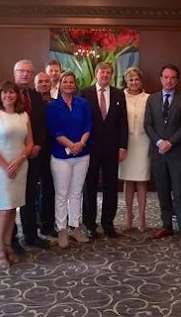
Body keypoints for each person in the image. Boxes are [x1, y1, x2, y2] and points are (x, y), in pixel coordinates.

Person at [0, 81, 34, 268]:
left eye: (12, 93)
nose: (8, 96)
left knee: (14, 207)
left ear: (17, 95)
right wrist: (6, 166)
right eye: (5, 93)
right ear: (0, 95)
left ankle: (8, 246)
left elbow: (30, 143)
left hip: (20, 165)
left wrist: (20, 160)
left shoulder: (23, 116)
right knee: (4, 207)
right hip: (0, 166)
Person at [144, 64, 181, 248]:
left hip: (177, 153)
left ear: (177, 80)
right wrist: (159, 142)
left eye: (173, 77)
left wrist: (169, 143)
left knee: (179, 191)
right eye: (166, 77)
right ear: (161, 79)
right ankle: (166, 225)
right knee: (162, 190)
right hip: (158, 153)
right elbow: (148, 124)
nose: (169, 80)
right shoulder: (152, 99)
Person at [80, 62, 128, 239]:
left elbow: (123, 122)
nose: (105, 75)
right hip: (90, 148)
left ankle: (108, 223)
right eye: (102, 72)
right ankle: (90, 224)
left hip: (111, 149)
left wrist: (123, 146)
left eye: (108, 73)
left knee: (110, 187)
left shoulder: (118, 94)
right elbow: (81, 120)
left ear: (112, 75)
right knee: (89, 186)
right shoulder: (85, 93)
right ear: (96, 73)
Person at [46, 71, 92, 248]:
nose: (69, 84)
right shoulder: (53, 106)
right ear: (60, 84)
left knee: (76, 193)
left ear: (75, 85)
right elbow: (54, 130)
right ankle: (62, 229)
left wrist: (81, 143)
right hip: (61, 156)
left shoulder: (83, 104)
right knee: (62, 194)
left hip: (82, 155)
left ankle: (75, 226)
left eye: (72, 82)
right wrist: (71, 145)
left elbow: (89, 125)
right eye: (65, 82)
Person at [10, 60, 48, 253]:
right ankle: (11, 238)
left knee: (30, 195)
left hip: (33, 155)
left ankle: (31, 235)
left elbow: (41, 124)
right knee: (11, 198)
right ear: (15, 73)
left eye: (28, 72)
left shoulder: (35, 96)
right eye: (21, 71)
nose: (25, 74)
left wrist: (38, 145)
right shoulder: (8, 94)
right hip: (13, 155)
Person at [118, 67, 151, 232]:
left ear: (141, 80)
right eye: (131, 79)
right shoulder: (120, 97)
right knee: (128, 180)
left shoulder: (148, 98)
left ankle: (142, 217)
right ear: (126, 81)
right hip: (126, 143)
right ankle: (129, 216)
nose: (134, 82)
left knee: (141, 181)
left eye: (136, 79)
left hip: (143, 142)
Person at [33, 71, 57, 238]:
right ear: (35, 85)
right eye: (40, 82)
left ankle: (47, 225)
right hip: (34, 151)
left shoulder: (56, 104)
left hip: (53, 151)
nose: (43, 84)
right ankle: (33, 224)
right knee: (33, 190)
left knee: (49, 189)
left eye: (46, 81)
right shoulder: (28, 104)